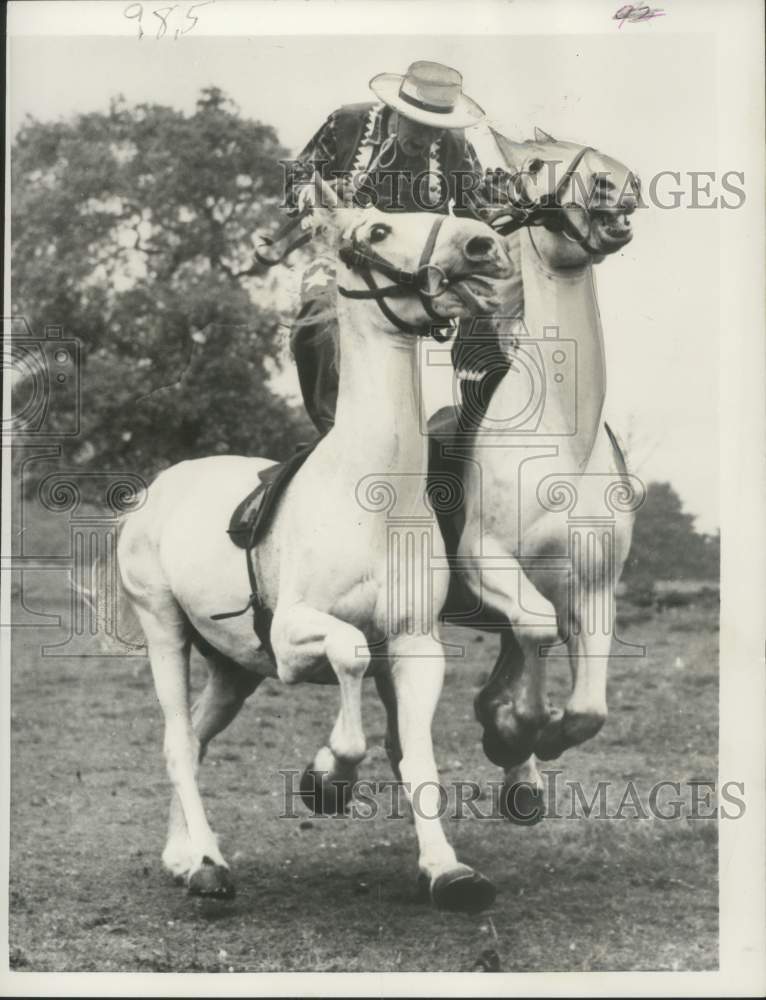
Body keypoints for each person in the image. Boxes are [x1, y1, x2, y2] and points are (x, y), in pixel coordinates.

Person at [283, 60, 522, 434]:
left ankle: (484, 416)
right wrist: (321, 198)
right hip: (349, 257)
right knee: (316, 308)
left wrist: (511, 204)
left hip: (421, 265)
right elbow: (296, 178)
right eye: (419, 125)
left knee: (487, 300)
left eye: (436, 129)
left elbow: (479, 209)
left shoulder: (454, 148)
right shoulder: (347, 124)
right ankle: (334, 430)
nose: (426, 138)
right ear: (397, 110)